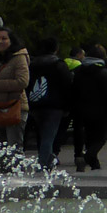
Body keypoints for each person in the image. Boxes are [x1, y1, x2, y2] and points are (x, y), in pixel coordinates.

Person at [71, 43, 107, 171]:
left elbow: (74, 90)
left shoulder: (79, 71)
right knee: (100, 140)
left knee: (90, 139)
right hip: (100, 111)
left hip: (81, 110)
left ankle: (95, 164)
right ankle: (86, 159)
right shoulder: (103, 72)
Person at [28, 37, 72, 168]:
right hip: (54, 106)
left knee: (42, 134)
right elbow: (67, 86)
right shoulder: (59, 65)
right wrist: (67, 106)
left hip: (35, 103)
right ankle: (43, 163)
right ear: (56, 49)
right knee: (49, 135)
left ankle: (48, 158)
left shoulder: (33, 64)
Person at [0, 27, 30, 154]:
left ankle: (15, 173)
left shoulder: (19, 57)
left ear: (11, 41)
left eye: (4, 38)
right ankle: (3, 171)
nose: (0, 41)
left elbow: (22, 82)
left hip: (14, 107)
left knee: (13, 148)